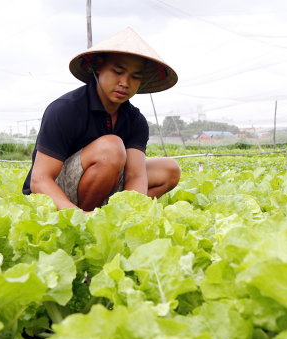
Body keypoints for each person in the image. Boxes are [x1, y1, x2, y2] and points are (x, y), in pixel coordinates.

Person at [22, 27, 181, 211]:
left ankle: (109, 216)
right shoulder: (66, 109)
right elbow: (40, 179)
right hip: (53, 193)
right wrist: (77, 216)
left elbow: (135, 177)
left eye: (135, 76)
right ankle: (86, 220)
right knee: (111, 149)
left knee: (169, 169)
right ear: (98, 67)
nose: (125, 83)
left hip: (103, 184)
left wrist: (129, 214)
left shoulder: (135, 121)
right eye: (118, 71)